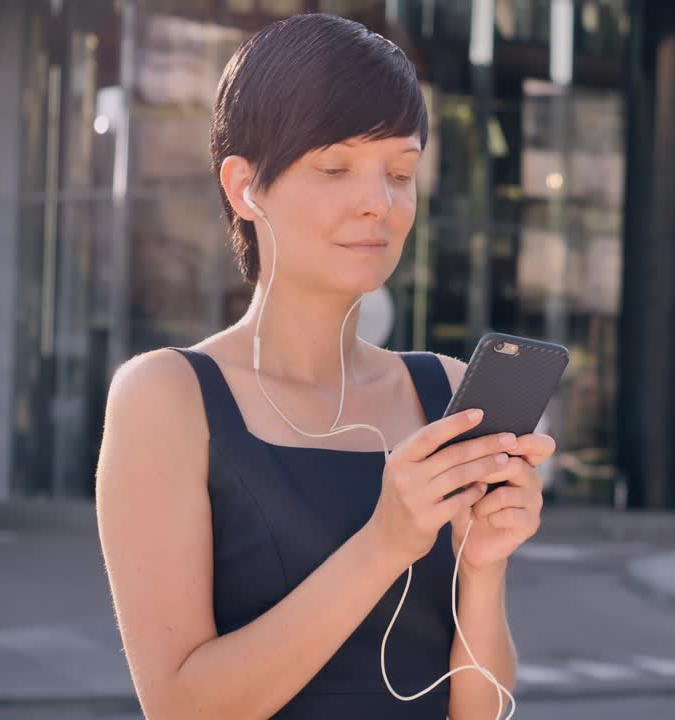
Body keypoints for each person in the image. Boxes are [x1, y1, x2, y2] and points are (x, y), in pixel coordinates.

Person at [95, 14, 553, 719]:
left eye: (400, 171)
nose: (380, 202)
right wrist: (383, 545)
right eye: (335, 167)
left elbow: (482, 711)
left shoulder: (449, 392)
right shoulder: (167, 398)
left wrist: (483, 568)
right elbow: (181, 707)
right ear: (245, 187)